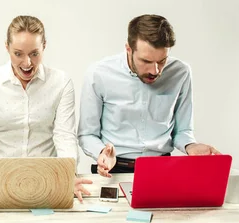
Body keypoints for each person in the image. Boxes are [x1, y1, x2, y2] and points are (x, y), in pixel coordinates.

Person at [78, 14, 220, 177]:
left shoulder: (180, 73)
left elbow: (183, 130)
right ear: (128, 49)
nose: (155, 71)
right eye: (146, 61)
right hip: (113, 169)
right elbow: (87, 134)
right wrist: (101, 153)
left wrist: (190, 146)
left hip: (163, 169)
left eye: (162, 61)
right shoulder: (98, 74)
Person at [0, 16, 92, 202]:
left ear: (44, 47)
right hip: (0, 180)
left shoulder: (61, 82)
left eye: (34, 54)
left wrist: (68, 175)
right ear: (7, 47)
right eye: (18, 54)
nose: (27, 63)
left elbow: (65, 136)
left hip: (48, 181)